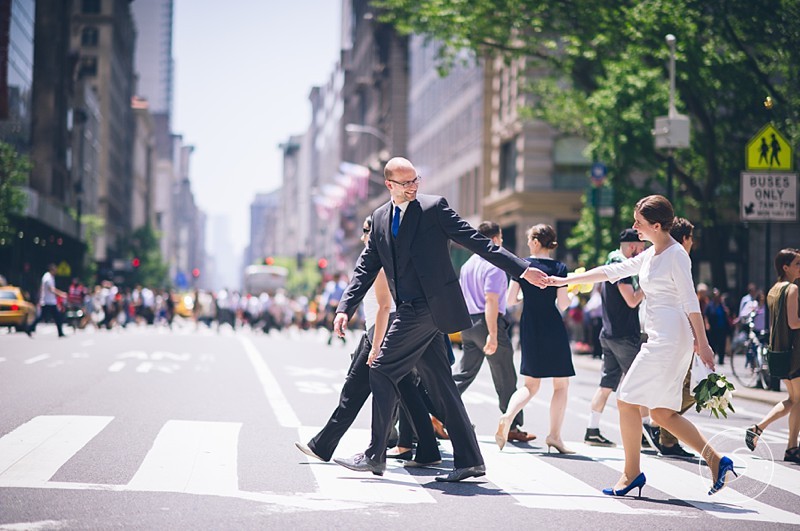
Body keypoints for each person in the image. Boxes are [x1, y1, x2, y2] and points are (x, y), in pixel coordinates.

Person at [332, 157, 546, 482]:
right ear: (390, 185)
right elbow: (366, 267)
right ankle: (470, 459)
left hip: (428, 308)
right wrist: (344, 307)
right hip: (412, 308)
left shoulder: (434, 208)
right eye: (406, 183)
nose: (414, 186)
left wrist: (521, 268)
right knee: (443, 386)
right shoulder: (378, 219)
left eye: (416, 179)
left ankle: (375, 455)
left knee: (382, 368)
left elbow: (477, 240)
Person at [545, 195, 735, 497]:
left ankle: (631, 473)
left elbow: (690, 300)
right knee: (661, 414)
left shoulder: (675, 255)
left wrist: (704, 343)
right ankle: (717, 460)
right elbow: (611, 272)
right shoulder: (651, 254)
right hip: (661, 337)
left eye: (640, 223)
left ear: (657, 225)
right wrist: (561, 280)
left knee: (626, 400)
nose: (635, 228)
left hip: (670, 340)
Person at [295, 215, 441, 466]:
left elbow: (385, 307)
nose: (362, 236)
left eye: (366, 230)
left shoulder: (382, 263)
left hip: (382, 332)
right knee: (407, 391)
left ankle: (326, 446)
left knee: (353, 392)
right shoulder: (382, 260)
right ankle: (428, 449)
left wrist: (376, 346)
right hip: (380, 330)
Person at [454, 221, 536, 444]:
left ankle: (434, 408)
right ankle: (513, 425)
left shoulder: (468, 265)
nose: (501, 242)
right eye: (500, 238)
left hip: (467, 323)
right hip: (486, 322)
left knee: (463, 373)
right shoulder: (495, 264)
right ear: (494, 239)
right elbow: (491, 300)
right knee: (505, 375)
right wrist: (492, 332)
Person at [495, 224, 573, 454]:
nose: (528, 243)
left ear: (537, 241)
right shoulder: (560, 267)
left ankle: (508, 416)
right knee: (561, 384)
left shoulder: (522, 265)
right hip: (553, 326)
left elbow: (510, 300)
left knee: (530, 385)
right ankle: (555, 436)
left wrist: (523, 294)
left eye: (529, 239)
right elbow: (563, 304)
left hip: (530, 325)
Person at [584, 228, 645, 448]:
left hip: (608, 333)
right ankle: (648, 433)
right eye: (641, 248)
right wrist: (646, 288)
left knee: (607, 383)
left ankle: (592, 429)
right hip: (623, 336)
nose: (641, 253)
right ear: (632, 246)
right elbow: (631, 300)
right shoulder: (623, 267)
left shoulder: (611, 261)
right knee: (641, 383)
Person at [645, 216, 699, 459]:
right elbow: (688, 303)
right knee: (688, 389)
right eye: (691, 238)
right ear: (685, 238)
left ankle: (662, 428)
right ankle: (661, 428)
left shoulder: (662, 254)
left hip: (664, 334)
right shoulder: (678, 255)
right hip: (676, 337)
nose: (692, 243)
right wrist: (701, 341)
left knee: (674, 389)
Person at [745, 248, 800, 463]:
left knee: (795, 400)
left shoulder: (773, 290)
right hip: (794, 351)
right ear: (785, 267)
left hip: (778, 351)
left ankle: (789, 446)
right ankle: (776, 438)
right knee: (796, 400)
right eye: (797, 264)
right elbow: (793, 322)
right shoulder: (792, 289)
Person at [30, 263, 67, 338]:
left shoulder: (49, 277)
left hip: (50, 301)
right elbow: (51, 289)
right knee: (55, 317)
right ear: (51, 270)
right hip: (48, 301)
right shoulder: (47, 278)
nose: (56, 271)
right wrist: (61, 294)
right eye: (55, 270)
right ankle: (30, 328)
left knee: (55, 317)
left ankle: (60, 332)